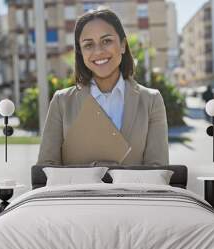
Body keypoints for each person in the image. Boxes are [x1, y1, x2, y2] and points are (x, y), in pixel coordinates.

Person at [37, 9, 169, 166]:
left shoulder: (151, 101)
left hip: (133, 191)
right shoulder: (62, 102)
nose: (98, 51)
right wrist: (94, 172)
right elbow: (46, 168)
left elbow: (158, 169)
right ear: (81, 53)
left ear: (122, 45)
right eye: (88, 45)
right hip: (76, 190)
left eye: (106, 41)